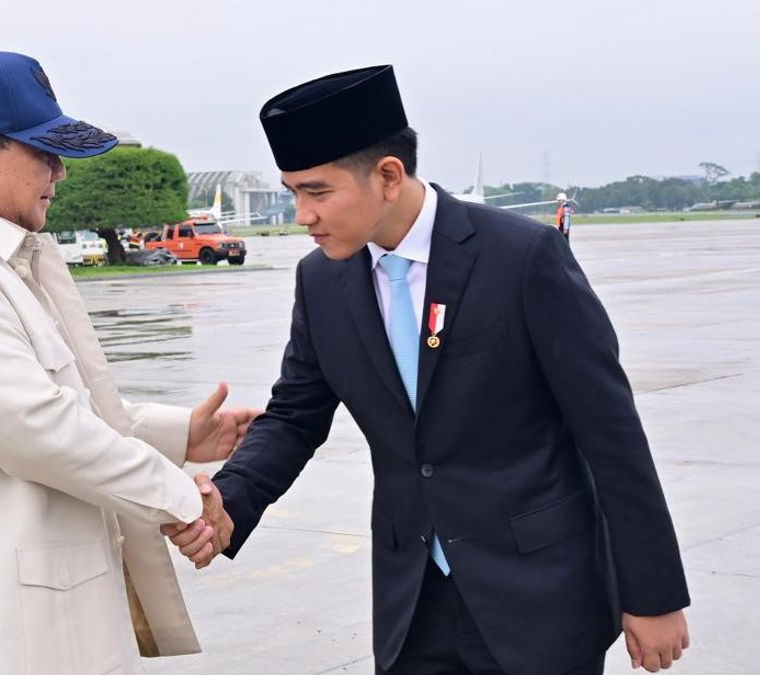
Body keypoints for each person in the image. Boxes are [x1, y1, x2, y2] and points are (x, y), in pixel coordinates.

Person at [164, 65, 690, 675]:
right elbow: (295, 417)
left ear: (388, 176)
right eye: (292, 193)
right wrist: (229, 499)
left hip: (539, 595)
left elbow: (611, 433)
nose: (302, 214)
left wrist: (653, 595)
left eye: (317, 191)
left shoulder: (521, 259)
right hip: (413, 601)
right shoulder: (322, 280)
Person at [0, 50, 258, 675]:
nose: (58, 172)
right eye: (43, 153)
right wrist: (184, 500)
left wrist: (180, 435)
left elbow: (56, 400)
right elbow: (38, 429)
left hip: (7, 612)